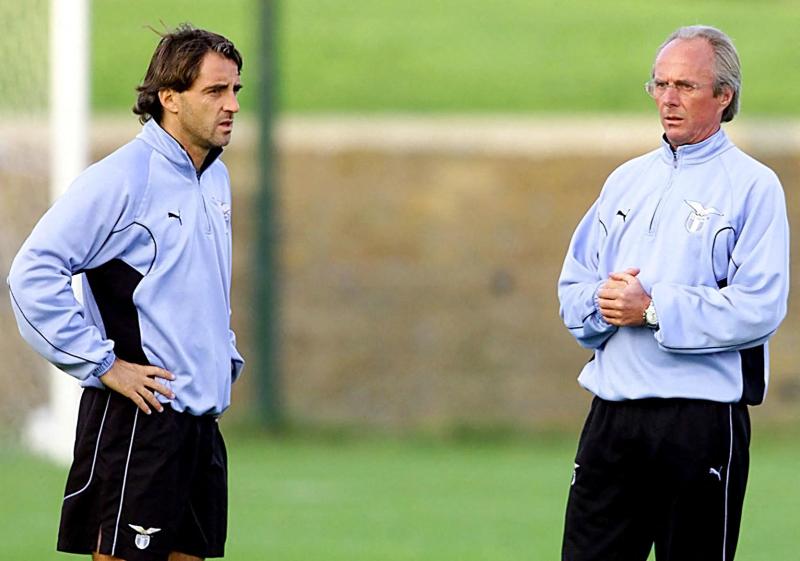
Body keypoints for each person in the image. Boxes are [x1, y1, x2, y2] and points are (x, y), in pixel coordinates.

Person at [7, 24, 245, 561]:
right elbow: (31, 273)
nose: (230, 105)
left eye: (235, 90)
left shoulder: (214, 176)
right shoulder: (122, 179)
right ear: (170, 99)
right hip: (138, 421)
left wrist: (220, 353)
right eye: (214, 91)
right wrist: (102, 364)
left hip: (198, 428)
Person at [557, 25, 789, 561]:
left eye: (685, 85)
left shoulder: (754, 186)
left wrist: (654, 308)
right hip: (612, 418)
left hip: (700, 421)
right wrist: (601, 305)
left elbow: (760, 307)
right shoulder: (625, 181)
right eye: (659, 84)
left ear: (724, 96)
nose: (667, 99)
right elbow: (573, 287)